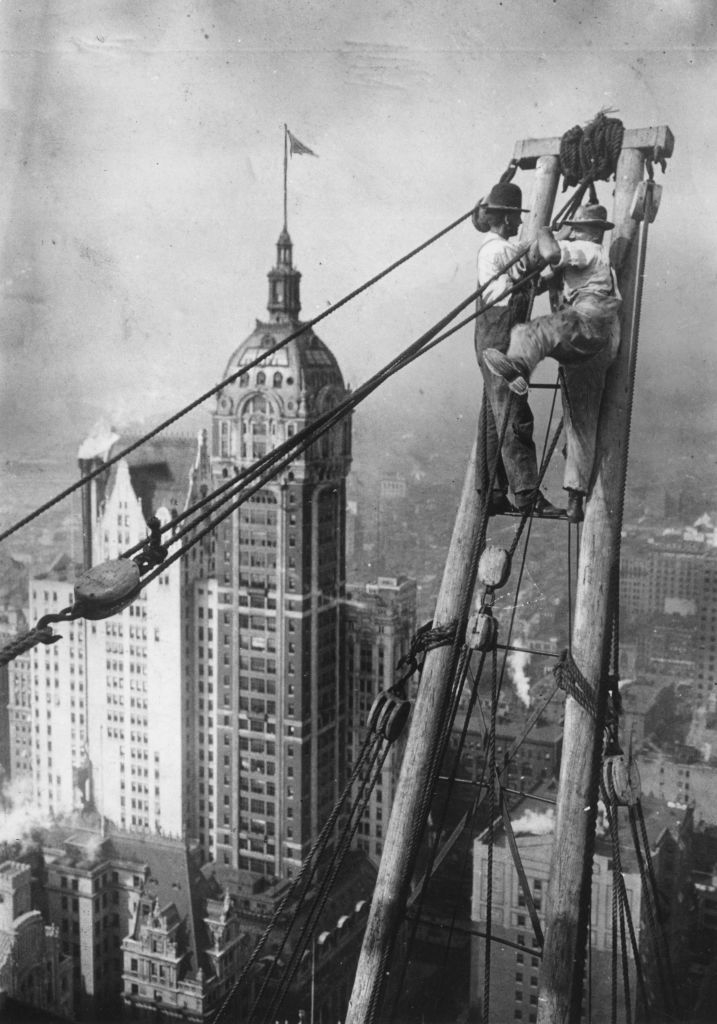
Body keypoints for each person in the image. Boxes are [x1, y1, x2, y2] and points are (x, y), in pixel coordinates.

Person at [482, 203, 621, 523]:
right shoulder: (601, 260)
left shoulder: (585, 248)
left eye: (575, 227)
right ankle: (575, 499)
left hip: (586, 323)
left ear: (585, 230)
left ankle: (517, 365)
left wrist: (548, 231)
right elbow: (546, 280)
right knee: (581, 422)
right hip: (599, 346)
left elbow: (551, 253)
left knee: (532, 331)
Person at [473, 181, 563, 518]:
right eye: (514, 217)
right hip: (501, 344)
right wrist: (550, 235)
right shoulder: (499, 250)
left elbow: (526, 282)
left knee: (495, 421)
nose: (516, 223)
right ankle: (527, 494)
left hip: (492, 339)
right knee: (514, 416)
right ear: (506, 218)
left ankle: (493, 493)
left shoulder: (494, 250)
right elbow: (530, 261)